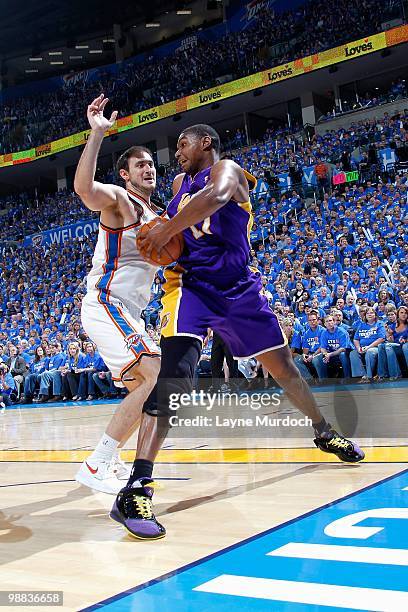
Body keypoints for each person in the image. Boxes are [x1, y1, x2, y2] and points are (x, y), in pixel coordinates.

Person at [111, 123, 364, 541]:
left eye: (183, 144)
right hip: (190, 289)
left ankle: (323, 431)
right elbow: (169, 231)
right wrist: (163, 246)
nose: (177, 153)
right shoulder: (177, 183)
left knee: (284, 369)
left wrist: (167, 230)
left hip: (238, 290)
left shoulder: (226, 170)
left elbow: (218, 197)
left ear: (206, 142)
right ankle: (137, 487)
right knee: (175, 379)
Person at [74, 94, 161, 494]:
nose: (149, 168)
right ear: (125, 175)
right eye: (140, 164)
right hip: (106, 302)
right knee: (154, 375)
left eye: (151, 163)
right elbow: (84, 189)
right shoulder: (120, 200)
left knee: (145, 390)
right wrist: (96, 135)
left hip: (130, 312)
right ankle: (97, 465)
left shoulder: (157, 216)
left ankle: (109, 459)